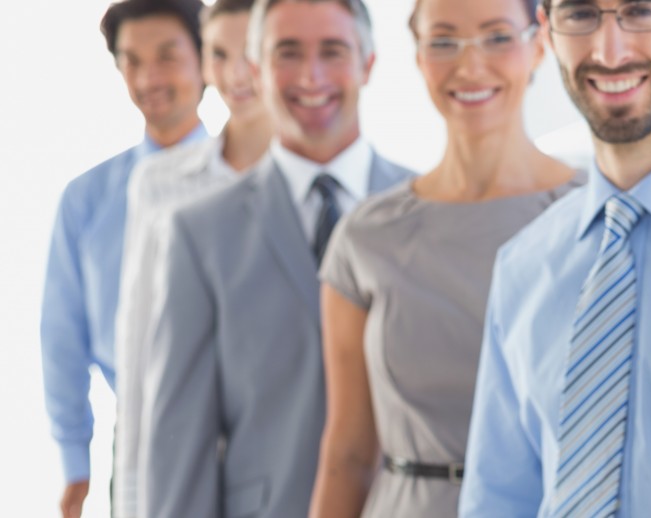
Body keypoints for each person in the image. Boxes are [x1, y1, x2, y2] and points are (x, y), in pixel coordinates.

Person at [138, 0, 413, 516]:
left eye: (332, 51)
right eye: (288, 53)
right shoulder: (199, 235)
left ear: (368, 63)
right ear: (258, 68)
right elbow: (179, 443)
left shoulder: (427, 213)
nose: (310, 77)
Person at [460, 1, 651, 516]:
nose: (609, 51)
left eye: (640, 11)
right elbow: (498, 497)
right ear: (547, 33)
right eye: (582, 14)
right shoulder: (523, 265)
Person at [308, 0, 580, 515]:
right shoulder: (367, 236)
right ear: (417, 55)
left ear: (540, 44)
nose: (470, 65)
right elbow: (346, 452)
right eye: (444, 41)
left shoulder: (596, 218)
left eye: (498, 37)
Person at [40, 0, 207, 515]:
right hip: (135, 435)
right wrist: (76, 462)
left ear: (208, 61)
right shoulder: (88, 199)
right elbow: (62, 338)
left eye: (166, 56)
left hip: (239, 434)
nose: (148, 77)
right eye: (131, 60)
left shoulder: (249, 187)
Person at [110, 0, 274, 516]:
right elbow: (138, 350)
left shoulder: (313, 187)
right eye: (219, 54)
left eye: (251, 52)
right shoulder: (158, 184)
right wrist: (131, 499)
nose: (236, 74)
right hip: (179, 459)